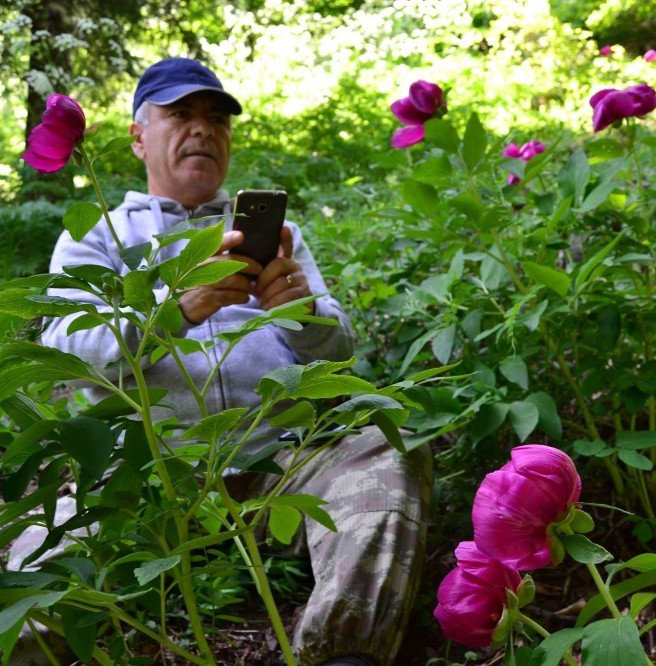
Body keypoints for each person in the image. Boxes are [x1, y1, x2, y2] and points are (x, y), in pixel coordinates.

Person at [39, 57, 432, 666]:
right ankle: (26, 651)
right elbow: (63, 345)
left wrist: (303, 314)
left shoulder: (277, 232)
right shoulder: (100, 235)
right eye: (181, 114)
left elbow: (340, 351)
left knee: (385, 441)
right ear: (138, 137)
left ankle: (346, 652)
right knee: (49, 533)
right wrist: (174, 309)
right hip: (150, 477)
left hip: (280, 466)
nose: (203, 129)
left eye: (217, 118)